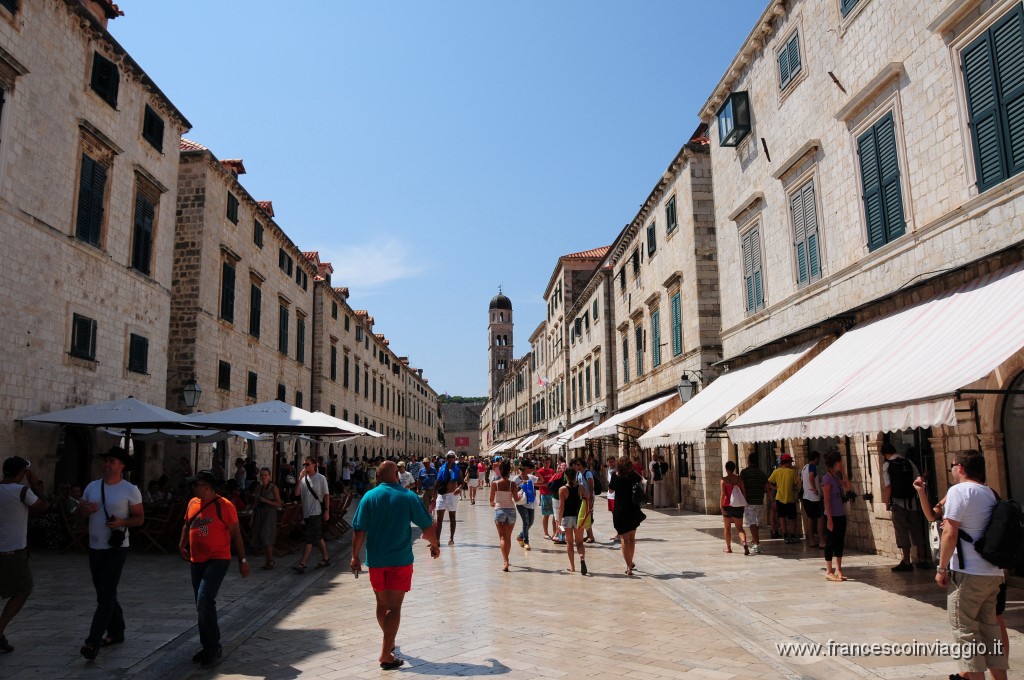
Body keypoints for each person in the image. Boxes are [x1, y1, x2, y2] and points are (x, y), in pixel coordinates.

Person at [351, 461, 440, 670]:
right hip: (399, 560)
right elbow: (426, 525)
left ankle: (388, 642)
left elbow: (359, 530)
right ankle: (385, 654)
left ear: (379, 477)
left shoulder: (369, 497)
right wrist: (434, 545)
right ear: (397, 476)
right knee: (395, 607)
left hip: (376, 560)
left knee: (382, 605)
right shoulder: (408, 497)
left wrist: (354, 556)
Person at [935, 450, 1008, 680]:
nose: (952, 469)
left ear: (961, 468)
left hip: (968, 574)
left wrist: (942, 567)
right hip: (992, 573)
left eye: (952, 465)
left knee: (966, 634)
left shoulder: (959, 491)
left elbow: (950, 532)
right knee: (991, 633)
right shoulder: (988, 492)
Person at [77, 446, 144, 660]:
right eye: (106, 461)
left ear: (121, 466)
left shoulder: (130, 489)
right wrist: (84, 510)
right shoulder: (92, 486)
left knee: (105, 596)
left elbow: (139, 518)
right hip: (94, 546)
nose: (107, 464)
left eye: (112, 461)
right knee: (105, 593)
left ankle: (93, 641)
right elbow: (80, 511)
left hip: (116, 548)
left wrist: (122, 522)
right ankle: (117, 631)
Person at [178, 472, 250, 666]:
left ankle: (213, 646)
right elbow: (187, 524)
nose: (193, 488)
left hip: (217, 559)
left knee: (204, 599)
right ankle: (207, 645)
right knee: (201, 605)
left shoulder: (225, 506)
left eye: (196, 485)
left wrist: (242, 560)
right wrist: (182, 544)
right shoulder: (193, 502)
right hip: (196, 560)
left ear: (208, 487)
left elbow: (236, 535)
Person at [0, 457, 47, 654]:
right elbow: (43, 507)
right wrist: (35, 484)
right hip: (12, 552)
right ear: (21, 473)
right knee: (23, 589)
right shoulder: (22, 491)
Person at [882, 442, 931, 572]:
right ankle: (922, 559)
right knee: (916, 530)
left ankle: (906, 561)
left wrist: (886, 503)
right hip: (912, 503)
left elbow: (888, 486)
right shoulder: (908, 462)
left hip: (898, 503)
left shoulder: (887, 465)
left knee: (901, 531)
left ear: (885, 455)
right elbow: (919, 479)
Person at [291, 456, 331, 573]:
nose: (305, 467)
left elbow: (326, 495)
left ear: (314, 465)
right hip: (307, 512)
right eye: (304, 464)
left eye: (307, 464)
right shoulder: (303, 479)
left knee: (309, 537)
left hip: (316, 511)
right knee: (317, 536)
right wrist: (299, 478)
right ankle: (326, 558)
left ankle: (302, 563)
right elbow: (297, 493)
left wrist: (327, 510)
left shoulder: (321, 478)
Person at [608, 456, 645, 576]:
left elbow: (611, 490)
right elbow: (641, 481)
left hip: (620, 510)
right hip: (633, 509)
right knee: (632, 538)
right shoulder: (632, 475)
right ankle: (630, 563)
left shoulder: (615, 476)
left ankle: (629, 566)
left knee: (624, 539)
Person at [822, 449, 851, 582]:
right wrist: (829, 519)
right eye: (840, 462)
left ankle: (838, 569)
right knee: (830, 543)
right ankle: (829, 570)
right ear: (836, 462)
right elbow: (826, 499)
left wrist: (843, 472)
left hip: (840, 514)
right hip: (832, 515)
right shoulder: (827, 478)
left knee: (839, 541)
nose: (842, 463)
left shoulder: (836, 477)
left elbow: (848, 487)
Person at [490, 459, 521, 572]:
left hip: (500, 511)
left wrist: (493, 503)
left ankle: (505, 561)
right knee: (508, 537)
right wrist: (520, 496)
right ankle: (507, 559)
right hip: (511, 511)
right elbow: (516, 499)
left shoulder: (495, 484)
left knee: (502, 538)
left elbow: (491, 500)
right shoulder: (512, 484)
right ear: (509, 471)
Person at [557, 466, 587, 574]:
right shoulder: (581, 488)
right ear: (575, 477)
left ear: (566, 477)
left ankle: (572, 566)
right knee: (580, 543)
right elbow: (586, 501)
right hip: (579, 518)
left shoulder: (562, 489)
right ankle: (582, 558)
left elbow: (561, 508)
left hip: (567, 518)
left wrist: (558, 523)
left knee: (569, 543)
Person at [250, 468, 281, 570]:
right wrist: (252, 517)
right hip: (260, 513)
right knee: (261, 538)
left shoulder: (274, 488)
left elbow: (278, 503)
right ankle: (267, 561)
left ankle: (270, 560)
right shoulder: (259, 487)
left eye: (265, 475)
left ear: (269, 476)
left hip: (270, 514)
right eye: (262, 475)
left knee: (267, 537)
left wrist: (266, 500)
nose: (263, 477)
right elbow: (255, 503)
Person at [739, 452, 768, 554]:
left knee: (752, 523)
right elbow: (767, 488)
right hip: (760, 501)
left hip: (749, 502)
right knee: (756, 523)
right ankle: (754, 540)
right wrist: (772, 501)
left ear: (749, 461)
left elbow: (741, 486)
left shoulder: (744, 473)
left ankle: (757, 544)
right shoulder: (762, 473)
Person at [767, 453, 800, 543]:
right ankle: (792, 535)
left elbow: (769, 482)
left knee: (782, 517)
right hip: (790, 498)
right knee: (793, 518)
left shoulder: (776, 471)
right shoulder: (792, 472)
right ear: (788, 462)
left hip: (779, 498)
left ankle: (785, 536)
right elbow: (794, 485)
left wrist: (775, 488)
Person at [434, 451, 463, 546]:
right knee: (439, 518)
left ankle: (451, 538)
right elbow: (437, 482)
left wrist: (459, 488)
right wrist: (434, 497)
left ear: (455, 458)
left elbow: (462, 482)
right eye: (448, 457)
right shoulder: (441, 468)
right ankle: (437, 539)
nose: (450, 459)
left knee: (452, 517)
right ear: (446, 458)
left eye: (452, 457)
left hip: (452, 495)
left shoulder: (458, 470)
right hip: (441, 495)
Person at [720, 461, 749, 555]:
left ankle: (728, 548)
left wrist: (721, 506)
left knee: (727, 527)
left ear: (726, 469)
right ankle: (744, 542)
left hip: (727, 505)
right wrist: (744, 503)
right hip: (738, 506)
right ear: (734, 468)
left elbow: (723, 494)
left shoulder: (724, 480)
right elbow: (744, 492)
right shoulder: (739, 479)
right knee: (740, 528)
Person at [800, 451, 825, 549]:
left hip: (806, 496)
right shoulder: (812, 467)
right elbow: (811, 477)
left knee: (810, 518)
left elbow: (801, 480)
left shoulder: (804, 467)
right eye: (818, 458)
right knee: (820, 518)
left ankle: (811, 540)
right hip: (813, 497)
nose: (819, 460)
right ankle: (822, 541)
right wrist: (814, 489)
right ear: (815, 458)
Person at [511, 460, 538, 550]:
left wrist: (536, 471)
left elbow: (541, 480)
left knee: (531, 522)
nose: (531, 470)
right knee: (525, 522)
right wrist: (521, 485)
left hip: (530, 502)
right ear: (526, 468)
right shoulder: (516, 478)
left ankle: (520, 536)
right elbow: (512, 490)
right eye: (530, 468)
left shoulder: (531, 477)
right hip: (521, 503)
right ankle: (526, 542)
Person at [574, 458, 596, 543]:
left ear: (580, 465)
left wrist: (590, 498)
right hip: (582, 498)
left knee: (588, 515)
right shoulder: (578, 474)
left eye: (577, 464)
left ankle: (591, 536)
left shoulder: (588, 473)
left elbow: (591, 486)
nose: (576, 466)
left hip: (588, 497)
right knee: (584, 515)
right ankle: (588, 535)